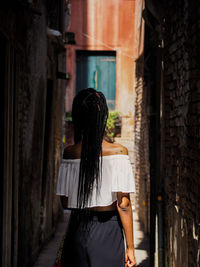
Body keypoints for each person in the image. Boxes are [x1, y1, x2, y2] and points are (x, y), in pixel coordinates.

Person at [56, 88, 137, 267]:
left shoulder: (70, 153)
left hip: (77, 231)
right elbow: (123, 205)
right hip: (109, 231)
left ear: (77, 118)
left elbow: (65, 202)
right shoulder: (119, 152)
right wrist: (130, 248)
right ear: (104, 118)